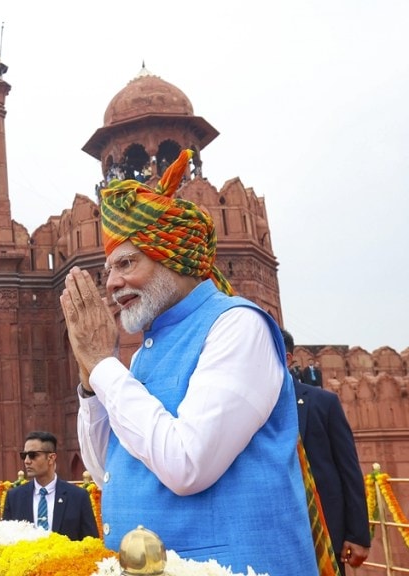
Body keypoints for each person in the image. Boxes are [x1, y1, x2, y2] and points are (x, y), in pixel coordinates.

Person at [60, 149, 317, 573]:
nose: (112, 284)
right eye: (108, 270)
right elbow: (109, 467)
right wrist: (91, 383)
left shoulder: (236, 326)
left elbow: (187, 463)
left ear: (172, 255)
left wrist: (106, 367)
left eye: (126, 263)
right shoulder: (150, 350)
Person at [283, 329, 371, 573]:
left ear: (288, 358)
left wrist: (358, 535)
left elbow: (348, 470)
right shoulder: (250, 407)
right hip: (276, 533)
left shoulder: (322, 403)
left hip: (323, 530)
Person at [2, 431, 99, 540]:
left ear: (51, 458)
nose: (27, 461)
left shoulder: (78, 496)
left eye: (33, 455)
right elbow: (6, 540)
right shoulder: (14, 497)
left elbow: (91, 542)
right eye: (24, 455)